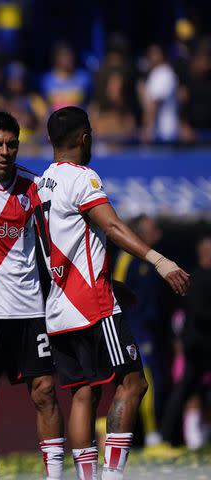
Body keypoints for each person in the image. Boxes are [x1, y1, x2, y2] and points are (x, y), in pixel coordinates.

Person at [35, 106, 190, 479]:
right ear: (84, 137)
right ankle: (113, 475)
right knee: (134, 382)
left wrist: (109, 277)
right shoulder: (82, 178)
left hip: (58, 306)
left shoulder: (43, 183)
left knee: (83, 393)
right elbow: (113, 226)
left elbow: (66, 243)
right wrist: (160, 260)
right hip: (92, 303)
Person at [0, 111, 64, 479]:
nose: (5, 151)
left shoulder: (33, 187)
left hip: (30, 307)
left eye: (11, 144)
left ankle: (55, 474)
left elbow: (55, 242)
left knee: (46, 391)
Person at [112, 215, 167, 447]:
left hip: (149, 331)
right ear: (140, 233)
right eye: (153, 227)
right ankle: (151, 437)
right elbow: (116, 292)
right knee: (143, 383)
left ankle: (146, 437)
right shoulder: (127, 258)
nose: (158, 232)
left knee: (151, 382)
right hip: (134, 331)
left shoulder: (149, 261)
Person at [159, 237, 211, 446]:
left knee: (193, 390)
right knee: (186, 390)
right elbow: (198, 313)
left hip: (204, 343)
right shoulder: (196, 278)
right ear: (204, 253)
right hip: (198, 345)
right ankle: (167, 435)